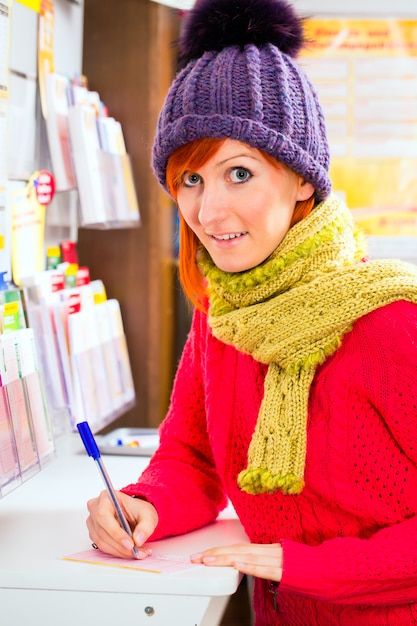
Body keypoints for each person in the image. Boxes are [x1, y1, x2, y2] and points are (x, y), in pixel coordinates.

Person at [86, 0, 417, 624]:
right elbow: (192, 456)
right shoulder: (224, 314)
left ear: (302, 180)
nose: (209, 213)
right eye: (191, 180)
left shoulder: (390, 321)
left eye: (239, 172)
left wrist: (310, 567)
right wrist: (145, 504)